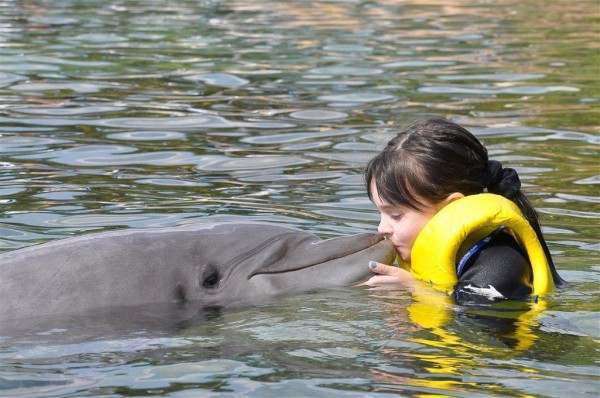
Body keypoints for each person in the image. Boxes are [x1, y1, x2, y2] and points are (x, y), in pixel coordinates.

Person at [364, 118, 565, 304]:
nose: (382, 228)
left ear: (451, 209)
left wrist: (414, 290)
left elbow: (479, 336)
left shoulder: (499, 267)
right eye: (380, 213)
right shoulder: (437, 255)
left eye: (396, 215)